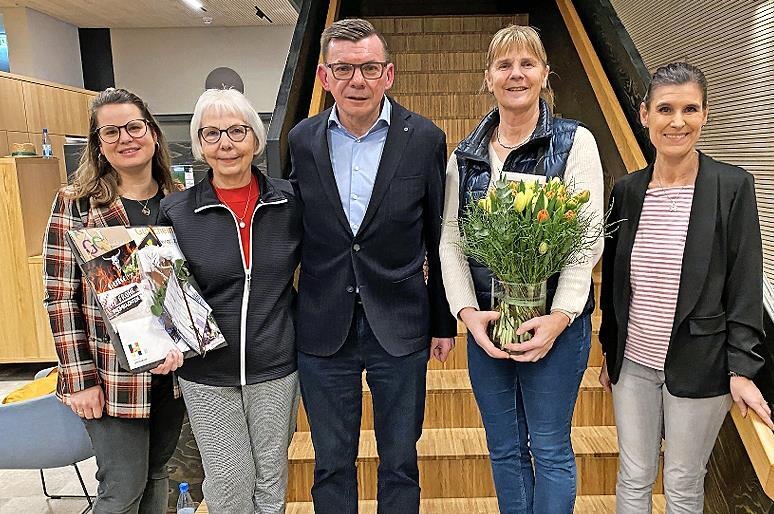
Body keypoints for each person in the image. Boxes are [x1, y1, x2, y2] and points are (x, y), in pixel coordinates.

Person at [288, 18, 457, 514]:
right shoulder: (301, 139)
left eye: (369, 68)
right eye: (343, 69)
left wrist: (443, 322)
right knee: (330, 463)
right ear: (324, 76)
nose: (356, 80)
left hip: (400, 323)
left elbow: (438, 238)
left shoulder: (424, 138)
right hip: (323, 325)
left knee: (400, 460)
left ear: (389, 74)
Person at [439, 25, 604, 514]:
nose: (516, 74)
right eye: (504, 65)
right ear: (488, 77)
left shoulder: (575, 142)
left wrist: (560, 317)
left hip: (556, 328)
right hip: (488, 328)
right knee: (504, 450)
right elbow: (450, 242)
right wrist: (467, 313)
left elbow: (587, 238)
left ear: (545, 74)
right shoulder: (465, 157)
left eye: (527, 64)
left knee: (549, 449)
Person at [599, 62, 774, 514]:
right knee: (633, 475)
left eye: (690, 109)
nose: (677, 122)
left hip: (702, 364)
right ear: (645, 115)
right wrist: (609, 351)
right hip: (633, 364)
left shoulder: (732, 186)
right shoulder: (627, 191)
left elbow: (744, 282)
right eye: (665, 109)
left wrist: (742, 369)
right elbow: (616, 283)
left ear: (705, 114)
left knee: (682, 481)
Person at [158, 88, 301, 514]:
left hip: (276, 364)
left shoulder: (290, 201)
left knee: (270, 480)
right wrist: (164, 342)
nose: (226, 144)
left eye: (237, 131)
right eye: (212, 133)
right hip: (207, 372)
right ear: (199, 144)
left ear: (255, 138)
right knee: (229, 481)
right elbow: (164, 294)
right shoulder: (176, 211)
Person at [43, 87, 186, 514]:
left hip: (173, 373)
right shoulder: (76, 204)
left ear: (153, 133)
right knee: (122, 489)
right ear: (98, 145)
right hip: (110, 377)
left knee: (157, 475)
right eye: (111, 132)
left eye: (134, 127)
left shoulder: (178, 199)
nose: (126, 138)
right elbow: (60, 297)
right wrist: (80, 379)